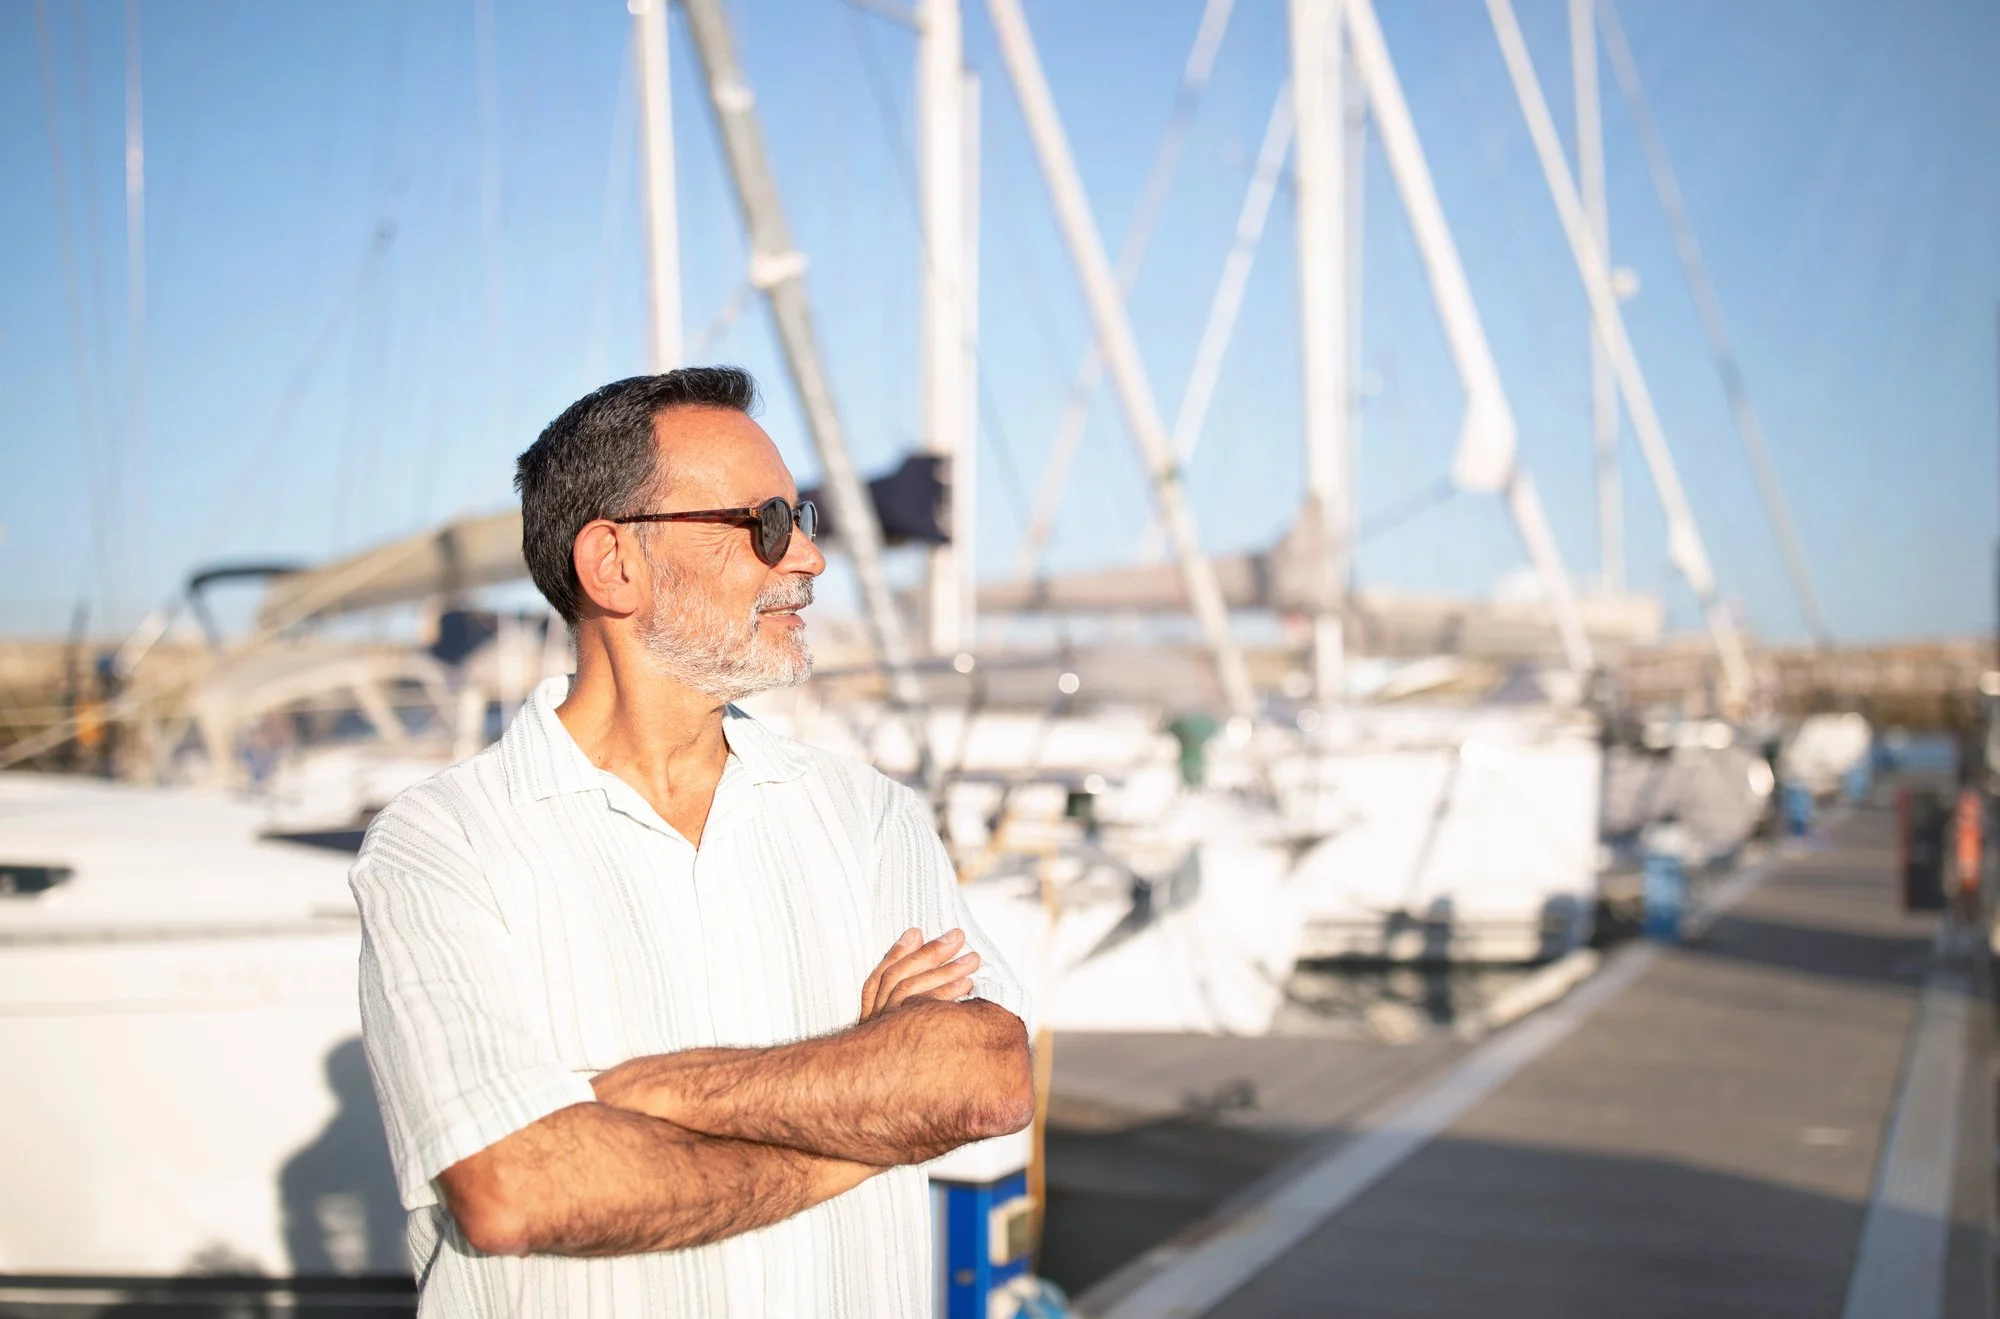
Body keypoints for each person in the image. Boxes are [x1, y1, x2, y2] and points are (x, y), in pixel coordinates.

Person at [350, 367, 1034, 1316]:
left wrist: (642, 1094)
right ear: (614, 564)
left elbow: (985, 1078)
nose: (806, 560)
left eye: (803, 520)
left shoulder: (867, 815)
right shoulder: (442, 845)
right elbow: (517, 1187)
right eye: (765, 524)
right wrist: (869, 1108)